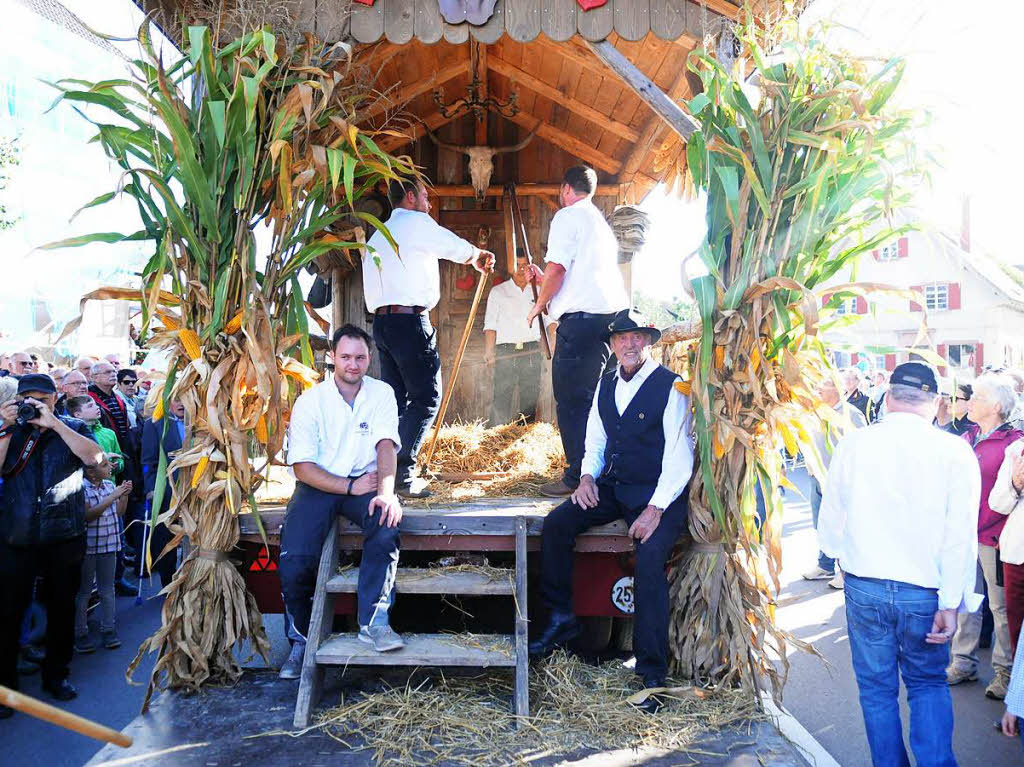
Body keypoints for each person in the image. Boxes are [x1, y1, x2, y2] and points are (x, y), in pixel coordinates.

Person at [818, 362, 981, 767]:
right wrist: (952, 602)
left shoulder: (854, 444)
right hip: (925, 591)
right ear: (936, 402)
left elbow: (830, 521)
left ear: (888, 398)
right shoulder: (956, 452)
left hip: (866, 583)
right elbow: (960, 535)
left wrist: (840, 557)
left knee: (876, 690)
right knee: (927, 684)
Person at [528, 312, 692, 713]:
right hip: (615, 488)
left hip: (657, 494)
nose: (629, 345)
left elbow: (680, 454)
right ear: (614, 344)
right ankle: (562, 618)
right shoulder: (607, 383)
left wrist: (656, 508)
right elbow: (596, 441)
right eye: (622, 338)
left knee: (651, 560)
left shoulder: (672, 387)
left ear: (648, 341)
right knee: (557, 524)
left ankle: (652, 671)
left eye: (637, 337)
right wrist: (586, 479)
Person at [278, 325, 404, 680]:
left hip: (365, 482)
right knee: (296, 559)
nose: (353, 364)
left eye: (360, 357)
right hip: (320, 483)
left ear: (369, 358)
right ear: (332, 357)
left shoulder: (381, 393)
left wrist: (386, 493)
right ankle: (300, 639)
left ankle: (374, 624)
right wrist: (348, 487)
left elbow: (385, 445)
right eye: (345, 357)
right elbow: (302, 467)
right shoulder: (310, 401)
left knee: (386, 523)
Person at [362, 176, 495, 499]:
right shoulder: (416, 223)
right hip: (409, 322)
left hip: (382, 324)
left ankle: (384, 472)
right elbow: (451, 245)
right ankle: (403, 475)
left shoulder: (379, 232)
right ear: (410, 197)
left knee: (395, 400)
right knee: (425, 397)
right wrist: (478, 254)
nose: (429, 202)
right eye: (424, 196)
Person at [0, 374, 105, 713]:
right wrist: (6, 427)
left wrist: (56, 425)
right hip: (17, 535)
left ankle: (56, 676)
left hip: (64, 535)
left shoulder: (72, 426)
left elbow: (97, 460)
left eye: (41, 399)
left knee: (62, 609)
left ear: (56, 397)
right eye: (27, 399)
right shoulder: (10, 430)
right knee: (8, 613)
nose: (35, 405)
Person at [526, 166, 629, 497]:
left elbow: (558, 269)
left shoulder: (567, 216)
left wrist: (538, 303)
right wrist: (543, 279)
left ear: (566, 188)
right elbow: (569, 276)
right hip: (611, 322)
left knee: (572, 401)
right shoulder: (598, 223)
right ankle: (604, 472)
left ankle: (577, 477)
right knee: (602, 400)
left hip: (583, 324)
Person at [947, 374, 1023, 699]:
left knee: (999, 608)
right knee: (967, 601)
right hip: (967, 535)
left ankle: (1005, 673)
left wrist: (979, 524)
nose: (969, 402)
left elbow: (1008, 495)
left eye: (976, 397)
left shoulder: (1013, 442)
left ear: (995, 405)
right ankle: (962, 662)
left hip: (994, 537)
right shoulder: (970, 435)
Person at [802, 376, 866, 588]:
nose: (819, 388)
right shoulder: (818, 412)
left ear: (837, 389)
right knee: (822, 523)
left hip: (839, 480)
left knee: (842, 524)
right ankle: (825, 564)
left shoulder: (851, 415)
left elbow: (860, 448)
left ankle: (845, 569)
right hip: (818, 478)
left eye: (825, 384)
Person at [74, 456, 131, 652]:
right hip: (89, 548)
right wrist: (114, 496)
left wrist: (123, 496)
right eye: (105, 465)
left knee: (107, 589)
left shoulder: (108, 485)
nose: (111, 467)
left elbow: (119, 513)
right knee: (84, 592)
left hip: (109, 545)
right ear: (90, 472)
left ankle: (109, 629)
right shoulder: (81, 488)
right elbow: (88, 516)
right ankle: (80, 632)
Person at [483, 252, 542, 425]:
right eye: (517, 264)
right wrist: (489, 351)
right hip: (505, 350)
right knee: (501, 395)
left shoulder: (538, 290)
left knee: (530, 397)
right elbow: (490, 325)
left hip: (532, 350)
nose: (521, 269)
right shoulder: (498, 292)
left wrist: (551, 342)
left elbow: (550, 321)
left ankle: (523, 441)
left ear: (531, 267)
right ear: (511, 267)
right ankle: (495, 436)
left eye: (525, 265)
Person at [141, 397, 186, 588]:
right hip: (168, 493)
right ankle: (169, 585)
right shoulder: (155, 424)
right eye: (177, 399)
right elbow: (148, 461)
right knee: (167, 538)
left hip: (199, 491)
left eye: (186, 398)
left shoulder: (204, 421)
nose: (182, 403)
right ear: (167, 402)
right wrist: (151, 489)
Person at [989, 424, 1024, 654]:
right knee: (1016, 631)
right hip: (1017, 556)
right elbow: (997, 503)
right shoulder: (1016, 451)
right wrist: (1015, 484)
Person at [66, 396, 123, 474]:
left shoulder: (109, 433)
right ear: (78, 415)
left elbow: (119, 457)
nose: (97, 407)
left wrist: (117, 465)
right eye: (90, 406)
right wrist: (104, 462)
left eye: (96, 404)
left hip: (109, 484)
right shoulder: (74, 436)